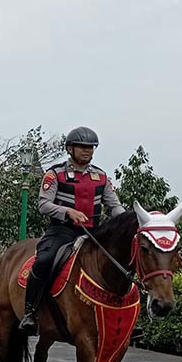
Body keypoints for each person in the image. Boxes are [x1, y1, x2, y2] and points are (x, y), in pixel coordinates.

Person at [19, 127, 125, 335]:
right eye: (82, 147)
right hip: (62, 231)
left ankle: (124, 316)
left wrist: (128, 219)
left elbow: (114, 206)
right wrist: (67, 212)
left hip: (94, 233)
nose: (87, 151)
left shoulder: (101, 176)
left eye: (90, 147)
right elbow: (44, 205)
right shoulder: (55, 174)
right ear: (70, 149)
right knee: (44, 260)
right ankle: (30, 311)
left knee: (122, 262)